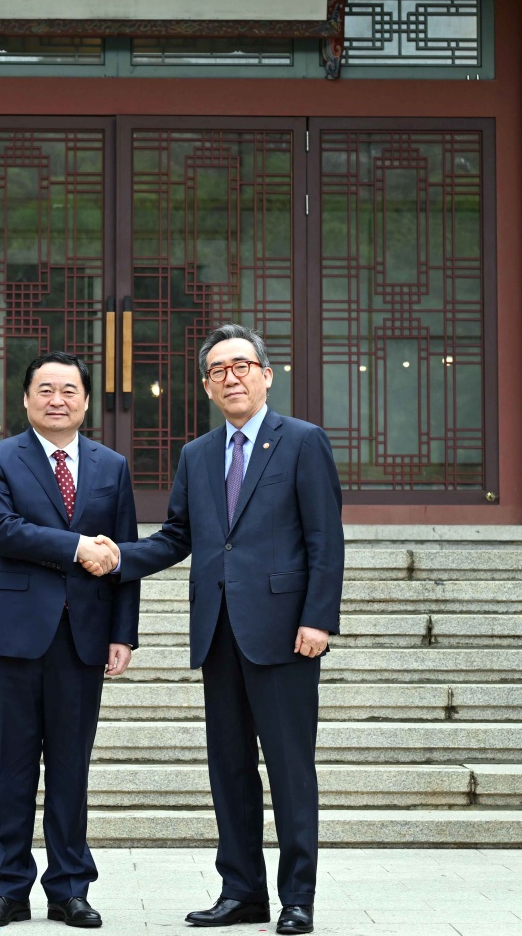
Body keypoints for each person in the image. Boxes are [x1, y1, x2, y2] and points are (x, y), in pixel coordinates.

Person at [83, 325, 343, 936]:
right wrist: (118, 557)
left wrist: (317, 618)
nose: (232, 377)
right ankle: (242, 892)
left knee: (288, 767)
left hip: (284, 632)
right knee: (228, 768)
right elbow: (179, 536)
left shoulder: (303, 442)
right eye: (218, 370)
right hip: (218, 631)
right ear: (205, 385)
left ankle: (297, 898)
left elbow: (324, 540)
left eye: (243, 365)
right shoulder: (198, 455)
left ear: (266, 374)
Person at [0, 350, 139, 930]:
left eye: (69, 390)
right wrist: (74, 548)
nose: (57, 399)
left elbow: (124, 555)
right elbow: (3, 532)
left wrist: (124, 633)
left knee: (71, 767)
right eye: (45, 389)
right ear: (26, 398)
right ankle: (8, 888)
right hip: (14, 635)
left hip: (83, 637)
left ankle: (70, 888)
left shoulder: (111, 466)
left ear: (86, 401)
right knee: (12, 766)